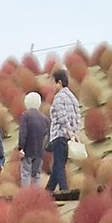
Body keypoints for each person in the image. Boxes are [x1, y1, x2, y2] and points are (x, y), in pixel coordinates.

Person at [46, 67, 82, 197]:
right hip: (69, 136)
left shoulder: (58, 98)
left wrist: (68, 131)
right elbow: (78, 116)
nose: (53, 86)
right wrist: (75, 132)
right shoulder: (73, 98)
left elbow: (61, 117)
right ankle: (47, 191)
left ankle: (64, 190)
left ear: (59, 82)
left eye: (54, 83)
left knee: (59, 165)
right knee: (58, 165)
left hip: (59, 135)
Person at [17, 90, 50, 187]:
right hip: (39, 151)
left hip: (28, 150)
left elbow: (23, 133)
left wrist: (20, 147)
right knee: (36, 175)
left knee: (25, 173)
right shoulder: (44, 118)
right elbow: (47, 135)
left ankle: (26, 195)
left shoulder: (25, 116)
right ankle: (37, 195)